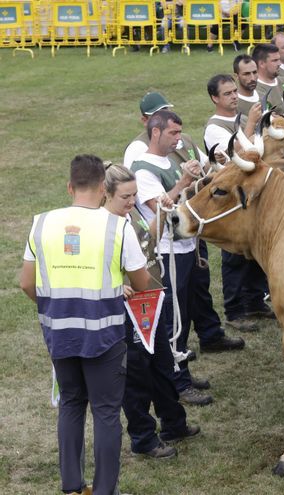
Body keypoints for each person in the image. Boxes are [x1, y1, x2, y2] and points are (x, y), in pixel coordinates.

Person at [20, 154, 150, 495]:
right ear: (103, 191)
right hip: (104, 333)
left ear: (69, 186)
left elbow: (26, 283)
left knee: (71, 404)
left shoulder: (41, 223)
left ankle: (72, 486)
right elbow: (142, 279)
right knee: (106, 411)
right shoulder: (117, 227)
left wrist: (52, 305)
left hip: (59, 332)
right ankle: (105, 489)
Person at [131, 109, 245, 407]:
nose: (178, 139)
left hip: (186, 248)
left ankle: (181, 371)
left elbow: (185, 200)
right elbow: (164, 210)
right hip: (167, 254)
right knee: (172, 320)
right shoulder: (143, 169)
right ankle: (176, 383)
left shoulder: (169, 161)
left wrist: (199, 180)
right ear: (155, 132)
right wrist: (183, 183)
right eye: (173, 133)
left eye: (179, 133)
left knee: (184, 314)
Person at [104, 164, 201, 460]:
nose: (132, 201)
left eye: (134, 195)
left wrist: (158, 213)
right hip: (127, 307)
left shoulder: (128, 215)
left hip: (150, 297)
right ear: (104, 194)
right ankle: (143, 438)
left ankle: (173, 422)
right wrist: (114, 286)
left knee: (161, 362)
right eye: (125, 197)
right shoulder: (101, 226)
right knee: (136, 374)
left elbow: (148, 243)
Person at [204, 75, 274, 334]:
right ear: (215, 98)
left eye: (235, 92)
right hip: (230, 198)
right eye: (227, 93)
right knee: (234, 256)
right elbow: (236, 156)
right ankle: (234, 311)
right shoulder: (214, 127)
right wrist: (253, 124)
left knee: (253, 250)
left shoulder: (239, 118)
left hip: (249, 194)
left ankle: (255, 300)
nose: (234, 97)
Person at [233, 54, 262, 129]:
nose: (252, 78)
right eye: (246, 74)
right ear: (236, 77)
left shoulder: (264, 94)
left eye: (255, 72)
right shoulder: (234, 104)